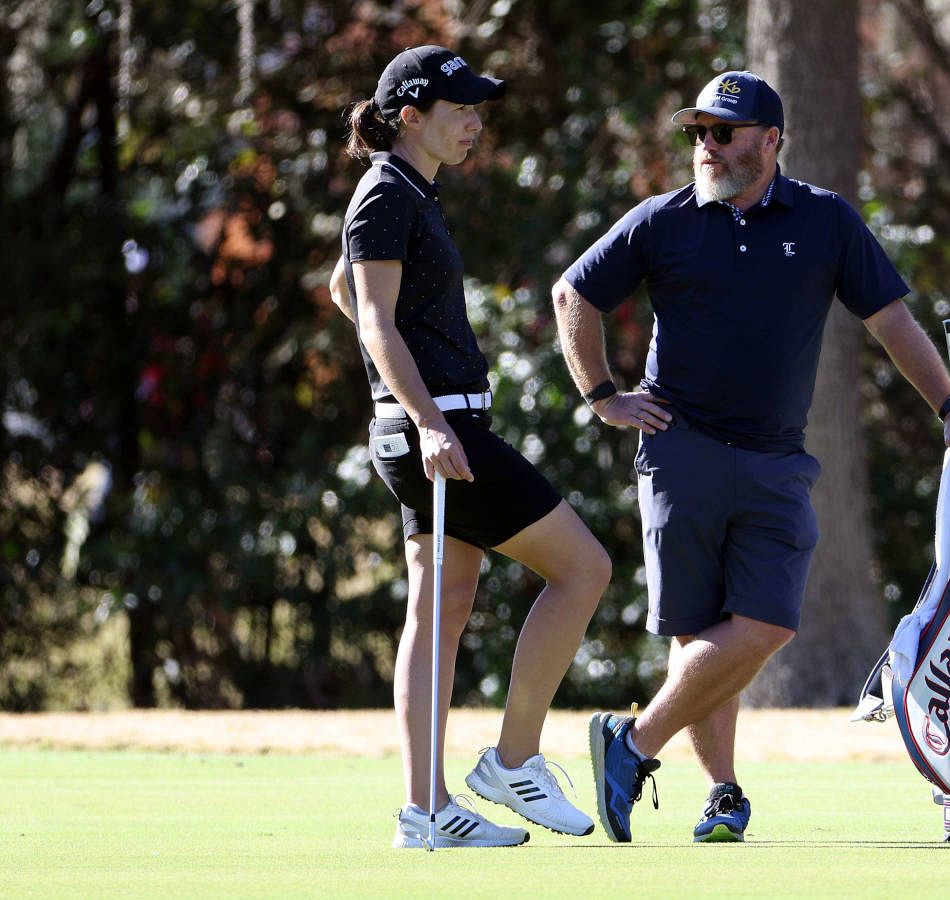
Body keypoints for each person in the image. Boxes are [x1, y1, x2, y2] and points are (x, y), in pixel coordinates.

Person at [552, 71, 950, 843]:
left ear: (771, 141)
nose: (706, 146)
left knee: (768, 621)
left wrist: (949, 406)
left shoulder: (824, 220)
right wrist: (603, 395)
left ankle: (631, 744)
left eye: (724, 132)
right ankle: (723, 794)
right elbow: (574, 294)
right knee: (698, 631)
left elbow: (891, 321)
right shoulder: (663, 220)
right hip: (681, 452)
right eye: (697, 133)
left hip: (777, 457)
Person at [329, 45, 608, 848]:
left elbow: (343, 290)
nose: (475, 126)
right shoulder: (387, 192)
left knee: (442, 609)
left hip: (435, 425)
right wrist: (422, 417)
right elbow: (374, 318)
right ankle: (512, 762)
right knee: (584, 567)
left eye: (478, 112)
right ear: (410, 116)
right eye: (461, 112)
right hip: (441, 430)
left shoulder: (407, 190)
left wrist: (410, 405)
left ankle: (425, 812)